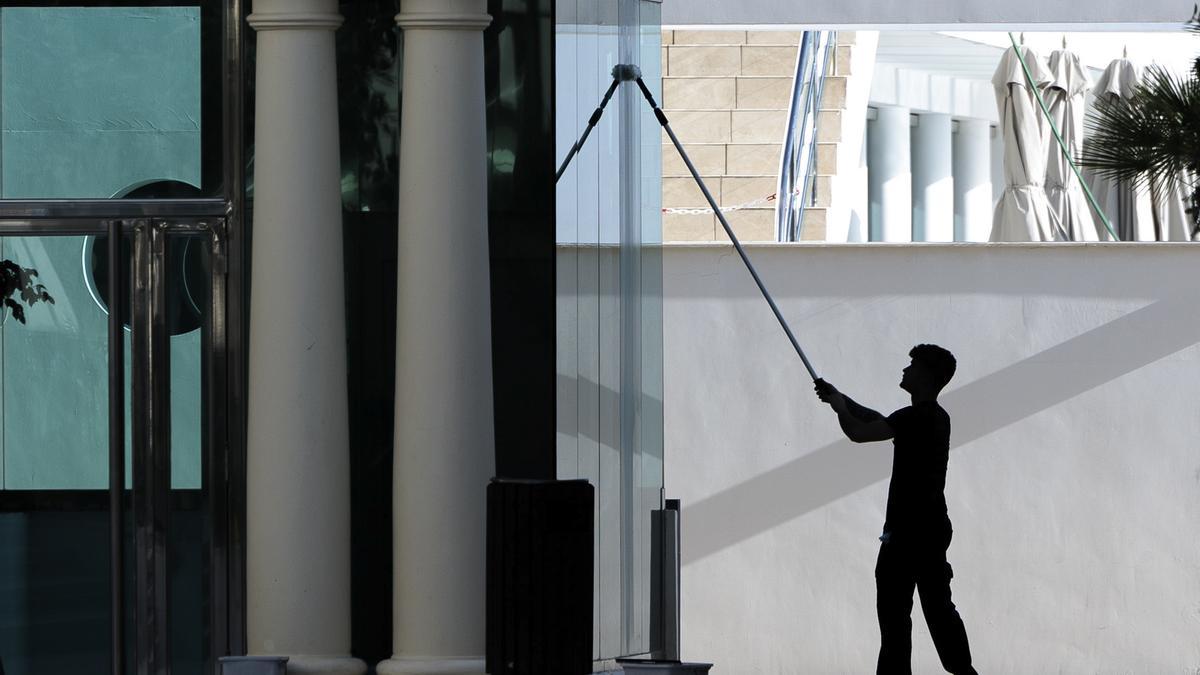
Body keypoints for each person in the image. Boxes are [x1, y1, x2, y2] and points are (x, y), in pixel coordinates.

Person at [814, 344, 978, 675]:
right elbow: (880, 420)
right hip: (928, 531)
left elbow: (859, 433)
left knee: (896, 622)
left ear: (927, 376)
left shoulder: (916, 417)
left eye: (912, 366)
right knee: (938, 611)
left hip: (907, 535)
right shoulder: (931, 417)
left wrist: (838, 408)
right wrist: (841, 398)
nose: (905, 370)